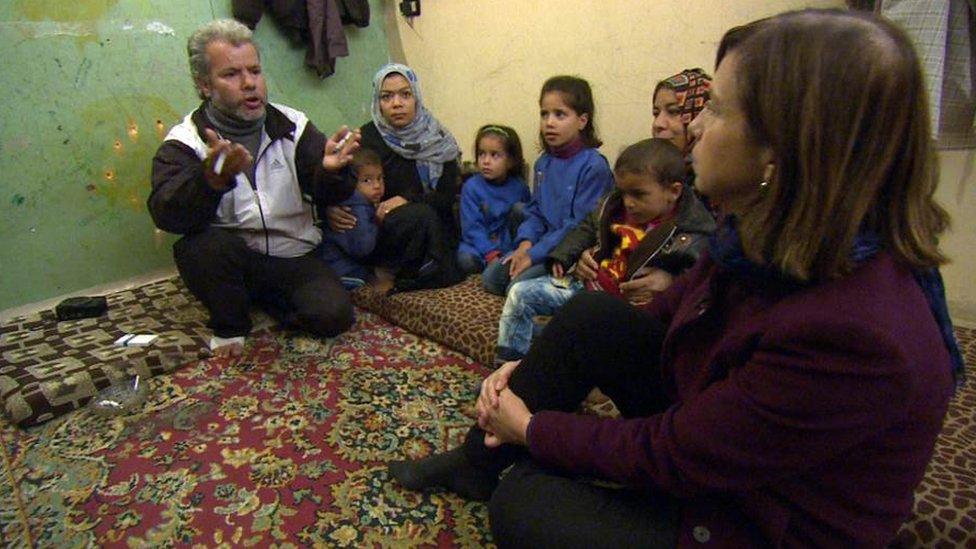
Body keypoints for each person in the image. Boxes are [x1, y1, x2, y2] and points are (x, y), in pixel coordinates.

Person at [388, 9, 965, 547]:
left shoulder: (856, 331)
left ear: (778, 153)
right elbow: (660, 319)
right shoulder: (759, 231)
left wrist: (534, 430)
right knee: (589, 316)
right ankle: (474, 465)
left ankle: (510, 466)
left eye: (714, 109)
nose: (691, 129)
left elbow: (679, 452)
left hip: (763, 517)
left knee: (526, 502)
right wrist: (531, 369)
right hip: (723, 444)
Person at [148, 19, 359, 357]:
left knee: (334, 316)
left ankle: (257, 298)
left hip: (294, 254)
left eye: (255, 71)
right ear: (204, 85)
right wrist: (210, 180)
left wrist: (331, 172)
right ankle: (232, 321)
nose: (250, 84)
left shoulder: (294, 125)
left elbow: (330, 193)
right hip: (235, 257)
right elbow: (166, 213)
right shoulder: (185, 142)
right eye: (231, 75)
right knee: (199, 248)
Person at [494, 138, 715, 365]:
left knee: (588, 339)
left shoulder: (693, 229)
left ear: (674, 191)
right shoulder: (613, 204)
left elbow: (701, 282)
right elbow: (587, 228)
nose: (628, 202)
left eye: (638, 194)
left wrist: (672, 281)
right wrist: (564, 255)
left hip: (627, 311)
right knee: (520, 294)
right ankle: (508, 367)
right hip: (588, 288)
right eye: (623, 192)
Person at [327, 63, 464, 293]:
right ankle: (386, 272)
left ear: (416, 97)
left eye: (405, 94)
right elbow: (338, 185)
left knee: (427, 222)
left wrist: (407, 199)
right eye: (386, 96)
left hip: (431, 222)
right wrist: (331, 208)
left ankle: (404, 275)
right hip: (379, 230)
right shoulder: (365, 138)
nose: (397, 104)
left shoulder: (437, 138)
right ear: (377, 102)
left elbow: (447, 196)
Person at [482, 76, 614, 296]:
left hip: (568, 250)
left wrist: (534, 255)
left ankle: (559, 287)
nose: (549, 122)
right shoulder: (544, 162)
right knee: (491, 279)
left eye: (560, 114)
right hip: (542, 242)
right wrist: (525, 245)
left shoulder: (594, 166)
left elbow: (579, 226)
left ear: (582, 120)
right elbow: (535, 212)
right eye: (544, 114)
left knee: (516, 288)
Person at [457, 125, 531, 275]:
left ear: (510, 161)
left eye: (494, 155)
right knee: (465, 260)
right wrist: (490, 254)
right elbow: (472, 228)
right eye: (482, 154)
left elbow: (527, 219)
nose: (486, 161)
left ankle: (508, 263)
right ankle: (494, 267)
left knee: (521, 209)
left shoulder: (519, 186)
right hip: (478, 245)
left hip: (507, 243)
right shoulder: (471, 187)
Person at [319, 148, 384, 289]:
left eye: (380, 178)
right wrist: (379, 225)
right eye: (367, 180)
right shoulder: (356, 208)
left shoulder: (355, 202)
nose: (377, 186)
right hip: (341, 269)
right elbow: (363, 248)